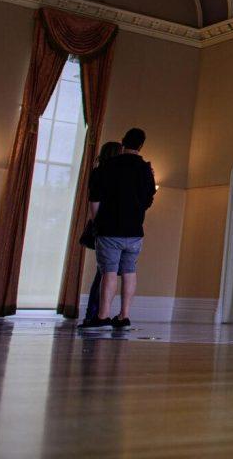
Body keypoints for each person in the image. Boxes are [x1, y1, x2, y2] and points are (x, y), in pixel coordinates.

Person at [87, 127, 155, 329]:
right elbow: (148, 199)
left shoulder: (106, 167)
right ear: (141, 145)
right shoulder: (146, 170)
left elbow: (95, 200)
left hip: (109, 228)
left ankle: (103, 315)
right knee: (129, 272)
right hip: (134, 230)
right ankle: (124, 316)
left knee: (108, 272)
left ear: (122, 142)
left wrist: (97, 222)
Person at [78, 141, 122, 328]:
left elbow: (94, 203)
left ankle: (94, 313)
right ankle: (95, 313)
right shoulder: (113, 175)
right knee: (104, 273)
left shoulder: (99, 173)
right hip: (111, 228)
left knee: (103, 273)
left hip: (105, 227)